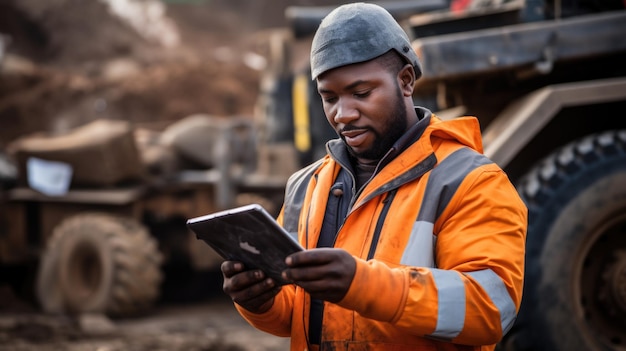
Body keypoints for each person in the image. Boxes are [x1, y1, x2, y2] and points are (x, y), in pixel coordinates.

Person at [221, 2, 527, 350]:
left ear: (406, 80)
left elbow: (489, 311)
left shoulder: (470, 182)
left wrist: (362, 284)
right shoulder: (305, 186)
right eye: (329, 97)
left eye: (361, 93)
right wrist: (259, 301)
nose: (343, 114)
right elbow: (295, 313)